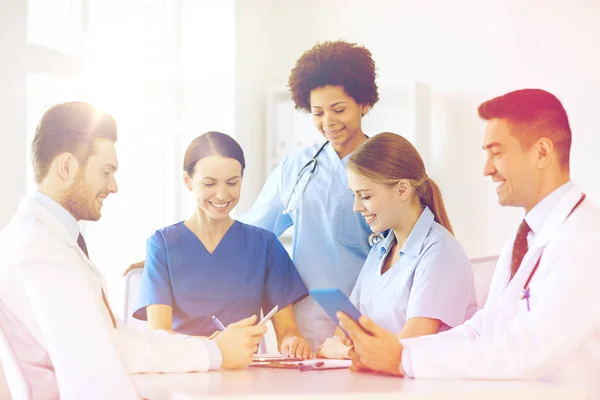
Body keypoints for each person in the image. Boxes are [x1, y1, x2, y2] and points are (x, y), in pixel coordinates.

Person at [336, 89, 600, 400]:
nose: (486, 168)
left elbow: (528, 351)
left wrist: (402, 359)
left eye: (497, 153)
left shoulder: (585, 240)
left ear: (542, 153)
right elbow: (482, 329)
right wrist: (394, 350)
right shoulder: (525, 238)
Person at [0, 102, 267, 400]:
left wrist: (210, 349)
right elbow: (97, 365)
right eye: (105, 171)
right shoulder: (39, 251)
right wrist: (214, 351)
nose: (113, 186)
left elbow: (116, 338)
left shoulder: (47, 239)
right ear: (66, 166)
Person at [239, 40, 380, 351]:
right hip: (305, 326)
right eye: (317, 112)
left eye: (338, 109)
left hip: (371, 321)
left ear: (364, 103)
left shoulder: (387, 166)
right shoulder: (297, 168)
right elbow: (251, 234)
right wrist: (189, 248)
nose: (328, 121)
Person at [132, 131, 311, 358]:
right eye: (209, 183)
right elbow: (160, 335)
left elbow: (287, 331)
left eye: (232, 183)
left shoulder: (264, 245)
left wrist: (292, 342)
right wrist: (216, 348)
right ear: (188, 181)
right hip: (184, 371)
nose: (222, 194)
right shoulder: (163, 244)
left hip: (245, 377)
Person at [317, 132, 477, 359]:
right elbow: (346, 329)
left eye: (365, 196)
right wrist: (343, 347)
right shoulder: (379, 251)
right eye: (355, 195)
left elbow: (407, 346)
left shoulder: (441, 252)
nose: (356, 207)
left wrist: (343, 352)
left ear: (402, 190)